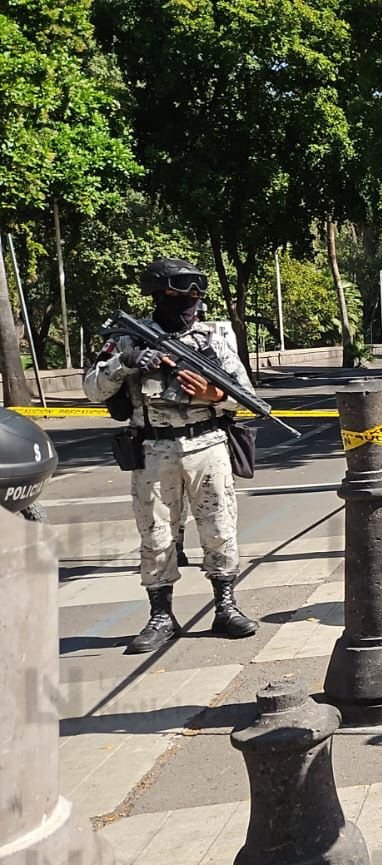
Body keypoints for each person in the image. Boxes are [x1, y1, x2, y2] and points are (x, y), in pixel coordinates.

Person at [83, 258, 262, 654]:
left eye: (195, 295)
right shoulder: (128, 339)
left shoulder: (213, 338)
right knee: (157, 534)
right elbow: (93, 389)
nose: (190, 303)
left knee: (219, 528)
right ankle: (161, 615)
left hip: (208, 444)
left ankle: (226, 606)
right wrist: (124, 364)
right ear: (159, 294)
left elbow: (245, 395)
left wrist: (213, 395)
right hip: (151, 448)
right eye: (180, 293)